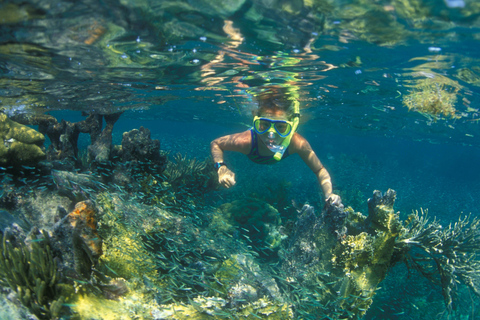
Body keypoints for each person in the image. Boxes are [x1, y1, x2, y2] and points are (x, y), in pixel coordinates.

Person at [210, 87, 341, 205]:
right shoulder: (246, 141)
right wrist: (221, 167)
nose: (271, 135)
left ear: (291, 126)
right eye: (264, 125)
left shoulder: (297, 143)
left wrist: (329, 194)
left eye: (281, 127)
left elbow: (320, 170)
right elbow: (216, 143)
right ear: (256, 122)